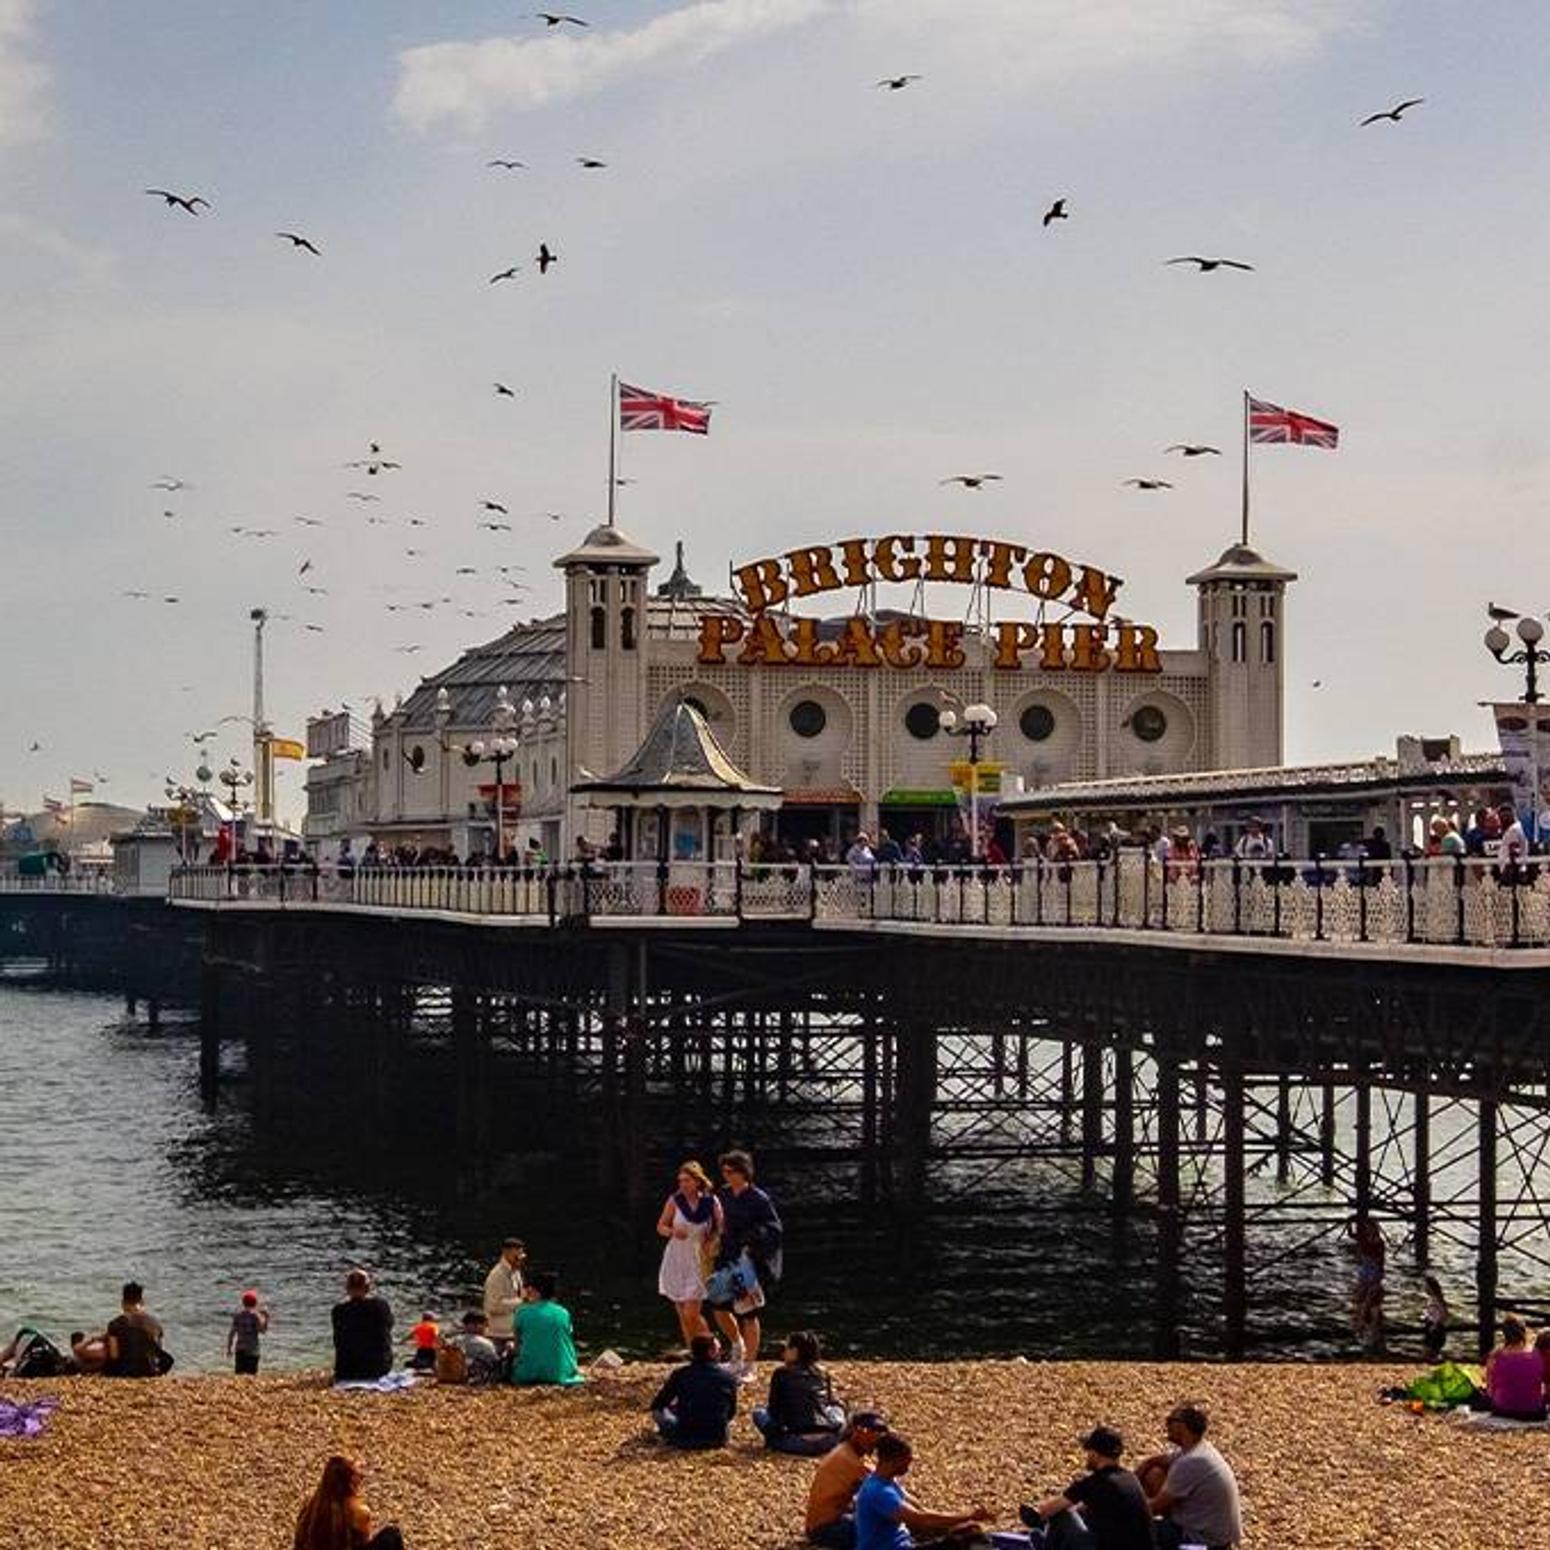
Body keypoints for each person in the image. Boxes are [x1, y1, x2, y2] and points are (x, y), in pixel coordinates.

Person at [709, 1149, 783, 1378]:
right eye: (724, 1171)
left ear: (743, 1172)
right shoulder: (723, 1195)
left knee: (748, 1313)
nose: (727, 1175)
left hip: (747, 1261)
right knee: (719, 1306)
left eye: (731, 1171)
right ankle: (737, 1346)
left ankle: (749, 1364)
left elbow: (773, 1229)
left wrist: (751, 1242)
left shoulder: (758, 1198)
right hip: (725, 1257)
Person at [1021, 1425, 1156, 1550]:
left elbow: (1048, 1510)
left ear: (1095, 1454)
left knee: (1062, 1515)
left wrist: (1035, 1517)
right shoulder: (1130, 1479)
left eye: (1088, 1450)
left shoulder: (1094, 1482)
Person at [854, 1432, 991, 1550]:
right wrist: (968, 1516)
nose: (909, 1463)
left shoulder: (887, 1481)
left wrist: (958, 1523)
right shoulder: (879, 1491)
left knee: (967, 1530)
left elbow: (920, 1509)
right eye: (906, 1459)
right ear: (893, 1460)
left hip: (903, 1543)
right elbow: (921, 1519)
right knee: (970, 1539)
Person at [1136, 1405, 1242, 1550]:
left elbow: (1154, 1507)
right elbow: (1159, 1461)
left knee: (1134, 1532)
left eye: (1170, 1421)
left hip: (1205, 1542)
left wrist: (1118, 1510)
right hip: (1213, 1533)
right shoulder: (1198, 1449)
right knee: (1155, 1474)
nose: (1166, 1426)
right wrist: (1139, 1473)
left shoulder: (1192, 1462)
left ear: (1181, 1426)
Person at [656, 1160, 724, 1349]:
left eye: (687, 1180)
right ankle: (694, 1352)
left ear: (697, 1181)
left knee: (691, 1313)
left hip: (699, 1258)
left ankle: (712, 1345)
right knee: (681, 1312)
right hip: (677, 1256)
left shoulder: (711, 1202)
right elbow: (660, 1226)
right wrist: (671, 1232)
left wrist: (712, 1241)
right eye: (680, 1181)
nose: (683, 1185)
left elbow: (721, 1228)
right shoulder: (675, 1201)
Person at [754, 1329, 846, 1455]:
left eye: (786, 1348)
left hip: (796, 1441)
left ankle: (775, 1442)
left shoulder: (781, 1373)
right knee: (835, 1407)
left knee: (759, 1412)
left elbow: (774, 1409)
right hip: (828, 1440)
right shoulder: (823, 1374)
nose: (783, 1352)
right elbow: (828, 1404)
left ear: (795, 1351)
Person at [806, 1411, 890, 1549]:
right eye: (872, 1437)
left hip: (821, 1524)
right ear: (858, 1432)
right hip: (824, 1530)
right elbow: (886, 1487)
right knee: (886, 1528)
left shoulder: (844, 1450)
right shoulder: (851, 1461)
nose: (875, 1444)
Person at [293, 1455, 406, 1550]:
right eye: (357, 1475)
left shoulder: (311, 1507)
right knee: (392, 1535)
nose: (361, 1477)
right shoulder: (358, 1512)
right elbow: (365, 1541)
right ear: (350, 1482)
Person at [650, 1332, 738, 1449]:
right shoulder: (728, 1377)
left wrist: (677, 1408)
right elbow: (731, 1412)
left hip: (685, 1436)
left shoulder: (681, 1374)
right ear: (711, 1352)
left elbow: (658, 1404)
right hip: (717, 1438)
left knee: (659, 1412)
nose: (720, 1353)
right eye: (719, 1350)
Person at [512, 1269, 583, 1386]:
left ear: (537, 1292)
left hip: (528, 1374)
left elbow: (517, 1347)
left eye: (531, 1289)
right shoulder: (563, 1312)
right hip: (561, 1372)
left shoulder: (522, 1312)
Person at [332, 1269, 393, 1383]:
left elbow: (338, 1339)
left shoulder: (338, 1310)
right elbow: (389, 1326)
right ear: (368, 1288)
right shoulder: (380, 1306)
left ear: (347, 1289)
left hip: (346, 1371)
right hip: (377, 1369)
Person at [1483, 1316, 1547, 1421]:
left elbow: (1490, 1391)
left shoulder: (1495, 1356)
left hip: (1503, 1409)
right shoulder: (1537, 1353)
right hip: (1534, 1410)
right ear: (1523, 1331)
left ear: (1504, 1334)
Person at [105, 1281, 167, 1378]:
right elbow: (159, 1351)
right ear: (142, 1302)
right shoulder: (155, 1323)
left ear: (122, 1303)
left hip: (126, 1372)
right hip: (152, 1371)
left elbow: (114, 1355)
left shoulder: (115, 1324)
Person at [1349, 1218, 1386, 1352]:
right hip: (1366, 1268)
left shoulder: (1377, 1242)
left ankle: (1365, 1328)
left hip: (1372, 1269)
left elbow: (1379, 1260)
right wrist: (1350, 1224)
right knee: (1362, 1298)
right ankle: (1363, 1328)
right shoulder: (1366, 1240)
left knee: (1369, 1299)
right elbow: (1353, 1236)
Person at [483, 1238, 526, 1349]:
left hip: (513, 1330)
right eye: (517, 1255)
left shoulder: (516, 1272)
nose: (520, 1259)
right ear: (506, 1252)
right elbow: (493, 1306)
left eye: (521, 1255)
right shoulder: (496, 1276)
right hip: (499, 1334)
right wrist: (521, 1302)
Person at [446, 1311, 502, 1384]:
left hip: (453, 1374)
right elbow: (494, 1360)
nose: (486, 1328)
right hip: (476, 1377)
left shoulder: (454, 1340)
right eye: (485, 1325)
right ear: (477, 1325)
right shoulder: (485, 1343)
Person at [226, 1289, 270, 1376]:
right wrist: (266, 1318)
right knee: (251, 1376)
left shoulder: (238, 1316)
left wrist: (229, 1349)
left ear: (243, 1303)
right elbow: (262, 1331)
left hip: (240, 1349)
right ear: (255, 1303)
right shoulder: (256, 1316)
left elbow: (231, 1333)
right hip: (252, 1350)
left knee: (239, 1375)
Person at [1421, 1275, 1448, 1361]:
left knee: (1433, 1344)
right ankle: (1432, 1356)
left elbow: (1443, 1313)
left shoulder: (1436, 1299)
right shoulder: (1431, 1299)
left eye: (1426, 1286)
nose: (1425, 1288)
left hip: (1435, 1325)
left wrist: (1437, 1323)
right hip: (1431, 1323)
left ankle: (1434, 1357)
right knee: (1429, 1345)